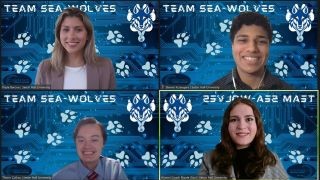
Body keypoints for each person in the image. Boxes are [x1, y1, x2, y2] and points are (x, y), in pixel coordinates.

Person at [199, 97, 288, 179]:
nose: (241, 126)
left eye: (249, 119)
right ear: (227, 126)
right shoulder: (208, 159)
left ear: (257, 125)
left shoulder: (271, 159)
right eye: (234, 120)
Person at [36, 8, 116, 90]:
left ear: (88, 35)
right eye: (66, 30)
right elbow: (39, 102)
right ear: (58, 34)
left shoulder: (106, 66)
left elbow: (111, 102)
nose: (71, 36)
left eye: (78, 30)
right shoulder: (45, 68)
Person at [212, 12, 292, 90]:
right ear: (232, 45)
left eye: (261, 41)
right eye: (243, 40)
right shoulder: (212, 92)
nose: (252, 48)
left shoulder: (290, 93)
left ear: (269, 46)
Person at [53, 117, 128, 180]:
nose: (87, 146)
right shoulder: (61, 177)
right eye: (81, 140)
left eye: (94, 140)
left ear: (103, 142)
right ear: (75, 143)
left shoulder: (114, 169)